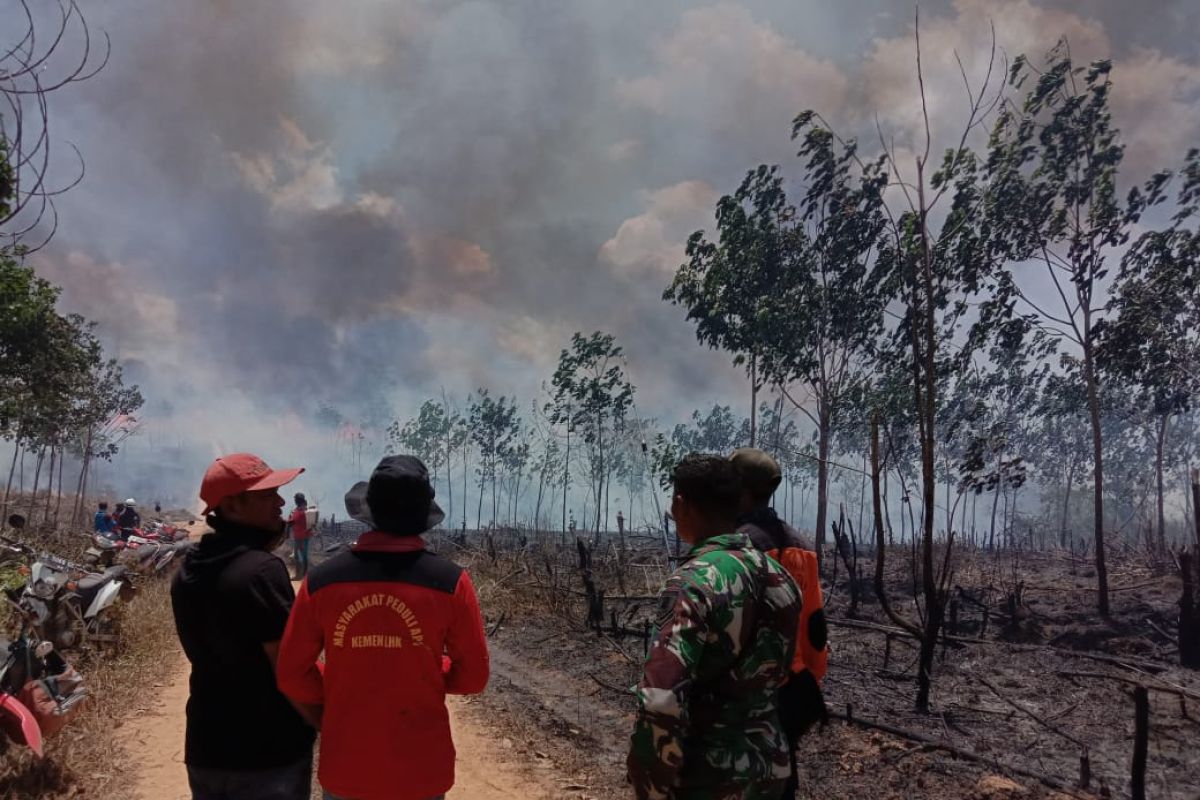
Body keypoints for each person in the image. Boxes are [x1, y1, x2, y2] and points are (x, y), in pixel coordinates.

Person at [277, 455, 489, 800]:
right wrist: (427, 667)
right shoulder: (452, 583)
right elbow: (474, 677)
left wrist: (341, 681)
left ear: (369, 511)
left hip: (347, 768)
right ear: (424, 516)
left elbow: (291, 673)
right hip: (422, 772)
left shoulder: (321, 581)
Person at [628, 453, 801, 800]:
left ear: (681, 503)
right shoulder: (781, 578)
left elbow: (662, 698)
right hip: (770, 768)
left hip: (707, 778)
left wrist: (649, 785)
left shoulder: (693, 583)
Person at [171, 453, 317, 800]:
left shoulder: (188, 571)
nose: (280, 502)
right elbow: (290, 671)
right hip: (266, 754)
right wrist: (327, 724)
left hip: (207, 748)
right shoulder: (260, 571)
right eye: (267, 495)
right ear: (233, 507)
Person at [730, 448, 829, 798]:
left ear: (737, 488)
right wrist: (809, 679)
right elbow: (816, 625)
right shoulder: (802, 545)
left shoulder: (737, 547)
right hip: (796, 689)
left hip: (751, 693)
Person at [288, 493, 312, 579]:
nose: (295, 500)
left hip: (301, 536)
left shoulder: (301, 510)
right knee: (302, 556)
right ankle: (303, 575)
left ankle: (299, 575)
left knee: (299, 556)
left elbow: (294, 520)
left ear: (298, 500)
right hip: (302, 536)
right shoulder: (303, 509)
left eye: (295, 499)